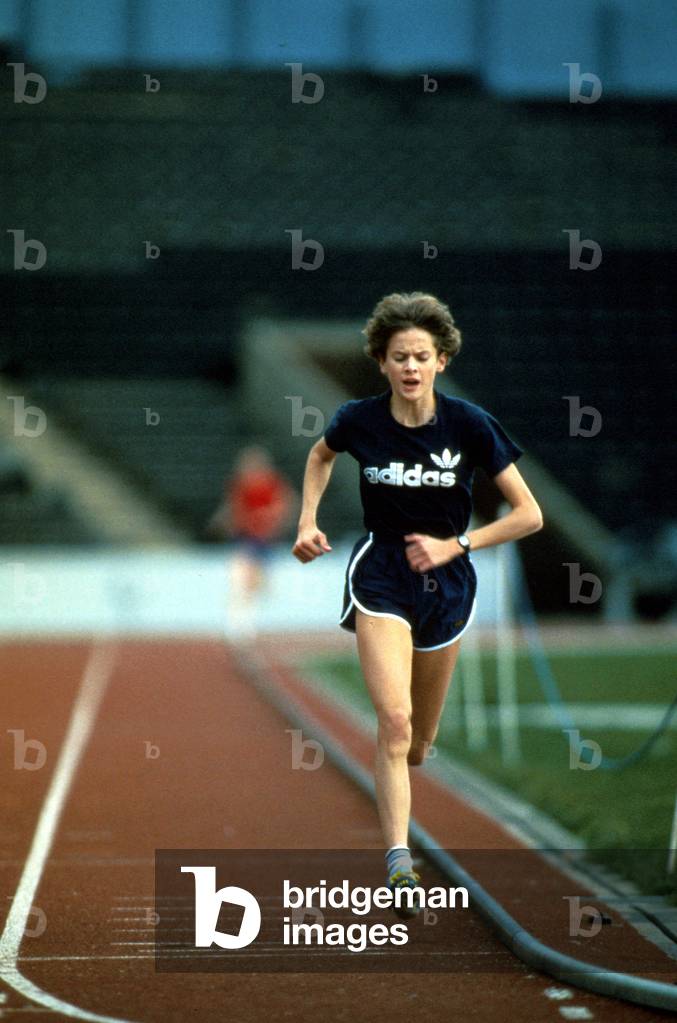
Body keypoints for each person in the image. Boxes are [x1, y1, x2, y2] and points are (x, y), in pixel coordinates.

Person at [292, 292, 543, 916]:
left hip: (449, 587)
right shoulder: (358, 420)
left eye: (421, 356)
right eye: (399, 356)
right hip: (381, 576)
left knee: (421, 744)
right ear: (381, 362)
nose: (410, 367)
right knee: (395, 722)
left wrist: (457, 544)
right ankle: (399, 861)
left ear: (442, 360)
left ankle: (408, 782)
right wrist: (307, 520)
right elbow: (320, 455)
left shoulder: (469, 425)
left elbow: (529, 515)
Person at [208, 444, 296, 638]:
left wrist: (272, 520)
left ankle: (246, 622)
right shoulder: (240, 484)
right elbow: (235, 508)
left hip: (265, 539)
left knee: (259, 585)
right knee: (240, 578)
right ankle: (238, 624)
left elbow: (284, 504)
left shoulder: (273, 482)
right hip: (247, 538)